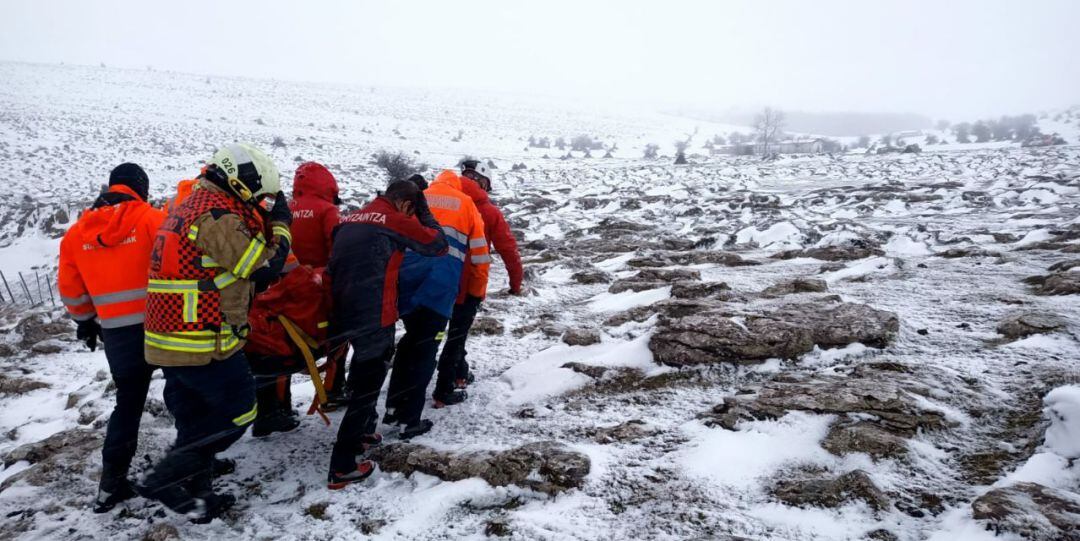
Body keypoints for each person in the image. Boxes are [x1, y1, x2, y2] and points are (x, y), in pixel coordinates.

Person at [138, 143, 292, 523]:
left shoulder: (185, 206)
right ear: (241, 184)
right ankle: (166, 476)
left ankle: (198, 496)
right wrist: (282, 227)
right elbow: (263, 267)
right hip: (203, 340)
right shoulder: (216, 216)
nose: (262, 202)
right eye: (260, 194)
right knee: (240, 410)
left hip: (168, 339)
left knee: (196, 419)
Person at [58, 163, 166, 513]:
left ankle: (111, 485)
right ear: (140, 188)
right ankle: (195, 466)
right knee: (184, 391)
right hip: (162, 327)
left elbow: (71, 289)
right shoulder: (152, 218)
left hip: (117, 335)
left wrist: (85, 321)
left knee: (128, 406)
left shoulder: (77, 233)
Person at [326, 178, 446, 490]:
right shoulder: (393, 220)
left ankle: (363, 433)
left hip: (340, 309)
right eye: (412, 207)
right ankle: (342, 465)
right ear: (406, 204)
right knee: (369, 380)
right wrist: (424, 212)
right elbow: (437, 244)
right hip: (374, 311)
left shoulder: (351, 218)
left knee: (360, 372)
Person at [386, 170, 490, 433]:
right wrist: (476, 292)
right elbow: (479, 256)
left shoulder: (420, 196)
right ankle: (409, 419)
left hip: (407, 280)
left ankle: (393, 407)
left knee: (409, 341)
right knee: (426, 349)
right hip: (441, 284)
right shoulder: (466, 204)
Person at [433, 160, 522, 405]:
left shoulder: (434, 199)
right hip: (468, 284)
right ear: (484, 183)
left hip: (429, 280)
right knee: (457, 335)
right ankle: (445, 388)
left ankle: (459, 373)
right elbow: (508, 249)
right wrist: (516, 284)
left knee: (430, 334)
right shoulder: (488, 210)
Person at [286, 161, 349, 411]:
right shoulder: (327, 210)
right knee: (338, 338)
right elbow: (338, 252)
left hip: (286, 288)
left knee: (286, 343)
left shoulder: (286, 210)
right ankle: (332, 392)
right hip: (320, 288)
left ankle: (276, 408)